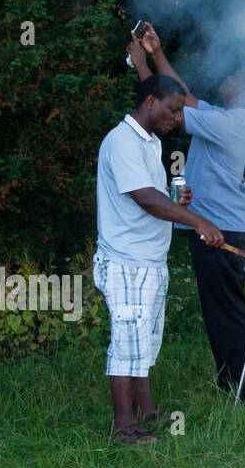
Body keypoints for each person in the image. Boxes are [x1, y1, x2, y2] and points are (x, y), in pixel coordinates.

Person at [130, 25, 245, 400]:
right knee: (225, 310)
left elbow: (167, 106)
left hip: (221, 230)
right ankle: (239, 385)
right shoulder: (222, 116)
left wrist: (141, 63)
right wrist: (154, 52)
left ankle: (241, 391)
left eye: (237, 76)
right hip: (219, 227)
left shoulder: (233, 123)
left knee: (225, 313)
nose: (229, 76)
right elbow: (181, 96)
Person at [95, 73, 224, 444]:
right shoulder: (121, 142)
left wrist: (174, 196)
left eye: (179, 110)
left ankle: (146, 411)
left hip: (149, 259)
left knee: (145, 342)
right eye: (173, 109)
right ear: (150, 101)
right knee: (126, 342)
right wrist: (198, 221)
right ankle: (123, 426)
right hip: (126, 261)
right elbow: (146, 200)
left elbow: (155, 195)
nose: (177, 118)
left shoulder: (149, 141)